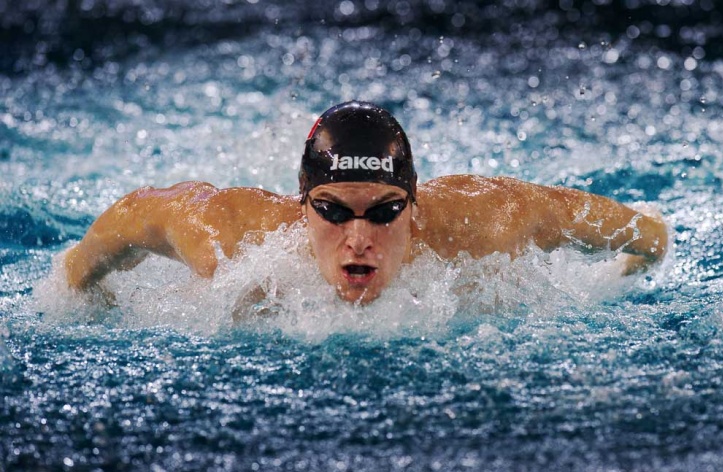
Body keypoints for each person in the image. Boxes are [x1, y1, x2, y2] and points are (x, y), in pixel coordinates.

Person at [64, 101, 668, 305]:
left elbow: (650, 236)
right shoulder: (232, 240)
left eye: (382, 212)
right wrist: (78, 291)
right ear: (301, 207)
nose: (358, 238)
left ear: (414, 208)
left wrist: (621, 275)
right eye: (331, 210)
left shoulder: (485, 224)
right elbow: (128, 220)